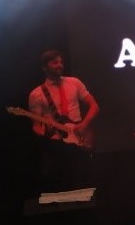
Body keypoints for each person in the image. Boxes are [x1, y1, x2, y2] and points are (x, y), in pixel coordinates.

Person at [27, 49, 100, 193]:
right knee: (61, 185)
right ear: (44, 67)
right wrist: (45, 132)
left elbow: (94, 106)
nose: (60, 65)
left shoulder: (74, 83)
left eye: (61, 62)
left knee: (83, 183)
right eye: (55, 63)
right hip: (56, 145)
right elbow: (36, 127)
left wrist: (84, 125)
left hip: (78, 139)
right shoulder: (36, 94)